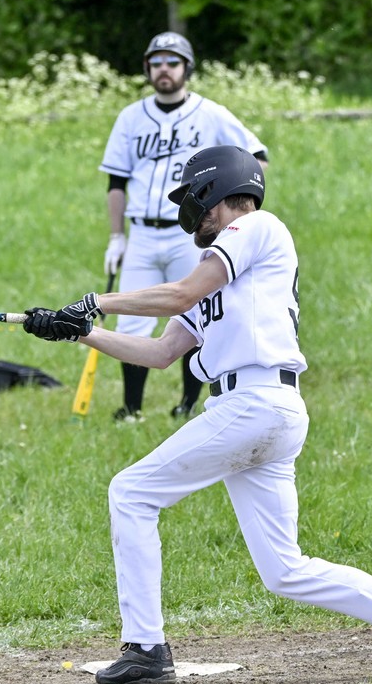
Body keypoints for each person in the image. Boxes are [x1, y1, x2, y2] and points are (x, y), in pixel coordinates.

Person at [26, 145, 372, 684]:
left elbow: (179, 294)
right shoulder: (217, 271)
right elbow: (160, 353)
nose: (191, 213)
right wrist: (81, 332)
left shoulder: (254, 227)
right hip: (261, 409)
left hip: (256, 402)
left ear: (216, 191)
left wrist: (97, 299)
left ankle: (145, 649)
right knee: (284, 570)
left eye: (194, 198)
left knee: (131, 492)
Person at [99, 31, 269, 421]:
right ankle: (131, 409)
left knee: (193, 314)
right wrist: (116, 236)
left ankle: (188, 404)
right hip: (141, 231)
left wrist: (235, 212)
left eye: (172, 62)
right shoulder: (130, 117)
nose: (163, 69)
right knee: (133, 320)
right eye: (156, 61)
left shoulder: (212, 113)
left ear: (186, 68)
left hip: (191, 231)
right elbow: (115, 182)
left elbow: (255, 158)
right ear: (147, 68)